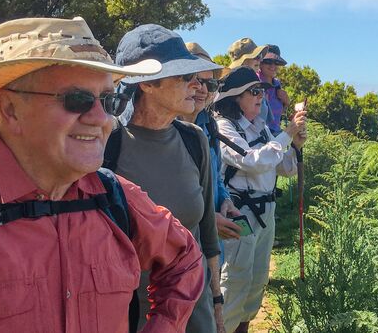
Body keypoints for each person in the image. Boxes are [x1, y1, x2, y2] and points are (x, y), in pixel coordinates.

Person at [0, 17, 205, 332]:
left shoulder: (115, 197)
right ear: (10, 109)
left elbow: (186, 259)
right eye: (77, 100)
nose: (100, 118)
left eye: (110, 100)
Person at [109, 25, 226, 333]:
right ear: (146, 84)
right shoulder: (108, 145)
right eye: (184, 76)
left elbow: (207, 235)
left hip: (196, 315)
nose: (196, 85)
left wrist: (216, 302)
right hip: (134, 318)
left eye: (197, 77)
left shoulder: (194, 139)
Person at [212, 67, 308, 333]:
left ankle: (243, 327)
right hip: (239, 213)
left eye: (261, 92)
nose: (260, 97)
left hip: (266, 213)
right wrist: (287, 134)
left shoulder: (263, 128)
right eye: (253, 92)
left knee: (256, 280)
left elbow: (284, 168)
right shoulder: (223, 128)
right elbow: (252, 161)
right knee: (234, 279)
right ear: (235, 98)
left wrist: (295, 148)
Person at [184, 42, 244, 253]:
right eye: (195, 80)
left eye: (210, 84)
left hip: (212, 250)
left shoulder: (209, 126)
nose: (202, 89)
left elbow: (216, 178)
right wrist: (208, 221)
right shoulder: (162, 129)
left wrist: (226, 200)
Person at [257, 45, 289, 134]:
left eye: (276, 62)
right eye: (268, 61)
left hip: (276, 133)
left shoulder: (277, 85)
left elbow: (278, 114)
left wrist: (286, 103)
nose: (273, 66)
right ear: (260, 63)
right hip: (259, 135)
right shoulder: (254, 81)